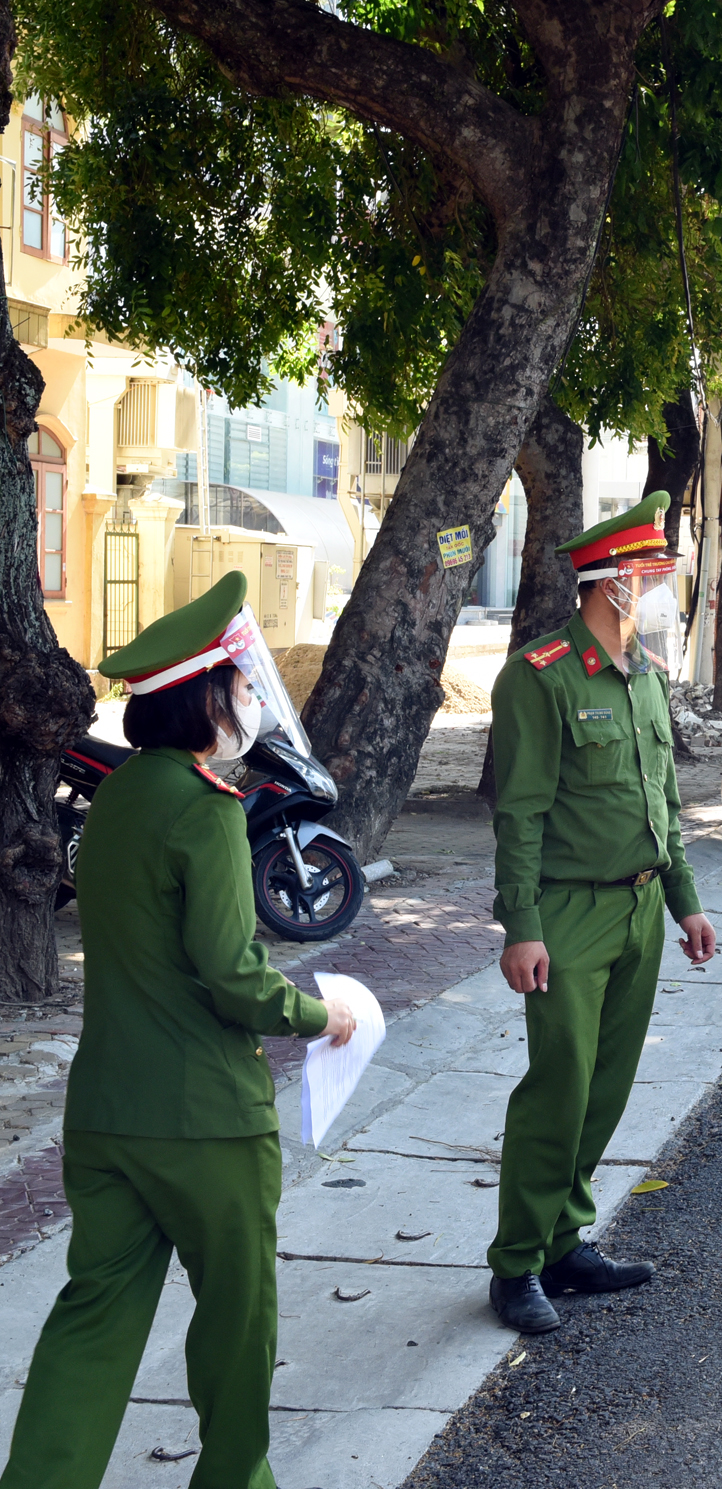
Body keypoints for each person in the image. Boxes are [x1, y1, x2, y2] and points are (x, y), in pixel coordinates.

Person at [2, 569, 358, 1489]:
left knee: (93, 1319)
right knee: (238, 1324)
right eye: (240, 686)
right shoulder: (206, 811)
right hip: (206, 1120)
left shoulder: (117, 796)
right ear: (204, 696)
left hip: (107, 1111)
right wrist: (327, 1013)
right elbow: (236, 980)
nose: (247, 700)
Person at [486, 490, 718, 1333]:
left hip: (642, 907)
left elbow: (664, 801)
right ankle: (515, 1264)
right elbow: (519, 812)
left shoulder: (645, 675)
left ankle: (564, 1241)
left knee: (608, 1086)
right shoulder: (540, 676)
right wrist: (522, 926)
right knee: (560, 1086)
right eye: (649, 573)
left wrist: (686, 902)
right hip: (569, 913)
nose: (659, 585)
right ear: (608, 582)